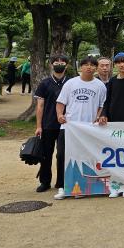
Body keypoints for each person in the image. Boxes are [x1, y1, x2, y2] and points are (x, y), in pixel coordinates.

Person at [54, 55, 107, 200]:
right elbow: (60, 103)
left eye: (92, 65)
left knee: (85, 157)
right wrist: (59, 115)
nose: (89, 67)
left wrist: (98, 117)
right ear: (80, 67)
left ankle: (81, 187)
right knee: (62, 156)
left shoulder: (100, 86)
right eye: (86, 65)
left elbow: (102, 106)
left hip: (88, 128)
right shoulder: (71, 83)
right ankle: (62, 187)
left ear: (95, 68)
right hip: (69, 127)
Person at [33, 54, 70, 193]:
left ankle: (61, 182)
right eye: (56, 62)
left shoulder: (72, 82)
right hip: (48, 124)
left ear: (67, 65)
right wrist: (39, 126)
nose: (59, 64)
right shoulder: (44, 83)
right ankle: (45, 181)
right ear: (51, 64)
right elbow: (40, 106)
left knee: (62, 155)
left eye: (62, 62)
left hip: (66, 125)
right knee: (46, 154)